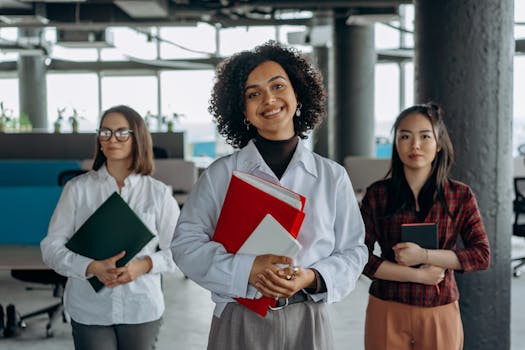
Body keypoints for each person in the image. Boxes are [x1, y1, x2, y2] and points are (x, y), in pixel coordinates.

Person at [170, 41, 368, 350]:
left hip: (308, 317)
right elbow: (185, 246)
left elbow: (354, 251)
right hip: (239, 315)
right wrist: (248, 268)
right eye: (253, 94)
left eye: (278, 86)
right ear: (243, 110)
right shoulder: (221, 174)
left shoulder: (332, 176)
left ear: (297, 95)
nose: (269, 100)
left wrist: (312, 277)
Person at [41, 105, 180, 350]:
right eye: (105, 132)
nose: (112, 139)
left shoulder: (158, 193)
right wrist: (91, 267)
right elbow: (51, 247)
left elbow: (181, 251)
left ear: (137, 138)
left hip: (141, 305)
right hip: (89, 305)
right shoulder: (77, 189)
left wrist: (144, 265)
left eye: (121, 132)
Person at [360, 103, 491, 350]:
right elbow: (359, 257)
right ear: (396, 143)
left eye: (425, 136)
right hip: (387, 307)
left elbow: (481, 255)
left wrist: (426, 256)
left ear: (439, 143)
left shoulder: (459, 195)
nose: (415, 145)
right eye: (405, 136)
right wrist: (418, 275)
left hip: (439, 309)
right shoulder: (378, 195)